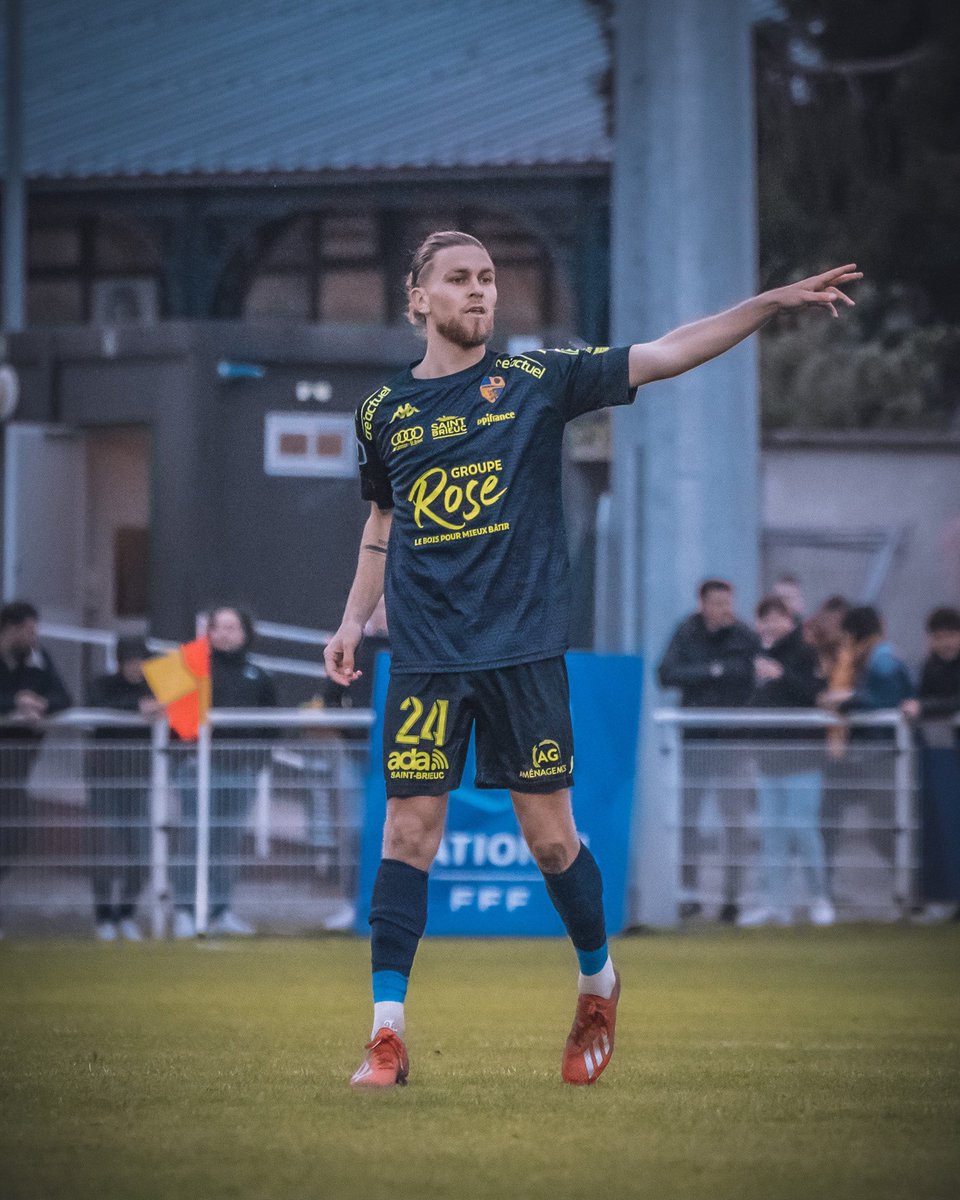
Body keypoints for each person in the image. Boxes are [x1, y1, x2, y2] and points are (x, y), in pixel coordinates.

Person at [323, 228, 860, 1088]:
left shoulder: (536, 380)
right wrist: (353, 621)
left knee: (550, 842)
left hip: (524, 651)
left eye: (488, 277)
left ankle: (598, 982)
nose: (479, 290)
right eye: (459, 278)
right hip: (426, 656)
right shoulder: (382, 411)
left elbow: (668, 352)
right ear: (418, 298)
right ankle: (386, 1036)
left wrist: (767, 304)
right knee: (407, 833)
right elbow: (381, 524)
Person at [657, 579, 761, 923]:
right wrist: (714, 671)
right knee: (689, 819)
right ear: (702, 604)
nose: (724, 609)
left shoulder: (744, 636)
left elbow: (752, 675)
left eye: (728, 602)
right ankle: (689, 894)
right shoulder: (686, 633)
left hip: (733, 744)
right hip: (696, 742)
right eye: (717, 602)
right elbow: (666, 673)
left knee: (735, 821)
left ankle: (732, 898)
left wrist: (710, 675)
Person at [172, 605, 277, 938]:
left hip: (240, 771)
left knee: (227, 843)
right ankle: (185, 910)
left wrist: (257, 763)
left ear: (245, 633)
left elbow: (271, 726)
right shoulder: (193, 670)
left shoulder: (259, 676)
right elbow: (175, 719)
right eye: (219, 627)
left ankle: (220, 910)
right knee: (194, 839)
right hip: (198, 769)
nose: (225, 634)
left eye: (232, 627)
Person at [738, 595, 833, 927]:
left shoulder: (806, 653)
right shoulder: (756, 655)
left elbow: (816, 695)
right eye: (765, 618)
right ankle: (775, 904)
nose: (771, 624)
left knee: (803, 828)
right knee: (772, 834)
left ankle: (819, 898)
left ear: (789, 620)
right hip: (768, 761)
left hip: (803, 760)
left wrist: (781, 675)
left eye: (777, 617)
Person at [0, 601, 72, 935]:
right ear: (11, 630)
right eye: (29, 630)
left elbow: (64, 696)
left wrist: (41, 704)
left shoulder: (38, 659)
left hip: (16, 768)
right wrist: (14, 704)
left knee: (14, 836)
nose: (34, 636)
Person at [86, 636, 163, 941]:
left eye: (140, 660)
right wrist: (137, 707)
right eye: (130, 661)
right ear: (119, 662)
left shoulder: (155, 689)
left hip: (139, 782)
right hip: (104, 781)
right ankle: (103, 915)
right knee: (106, 849)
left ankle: (126, 913)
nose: (136, 667)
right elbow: (95, 705)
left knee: (141, 854)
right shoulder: (103, 685)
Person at [901, 606, 960, 922]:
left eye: (950, 636)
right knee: (941, 830)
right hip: (941, 757)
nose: (945, 643)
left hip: (947, 757)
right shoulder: (929, 667)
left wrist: (924, 707)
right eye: (939, 637)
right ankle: (943, 897)